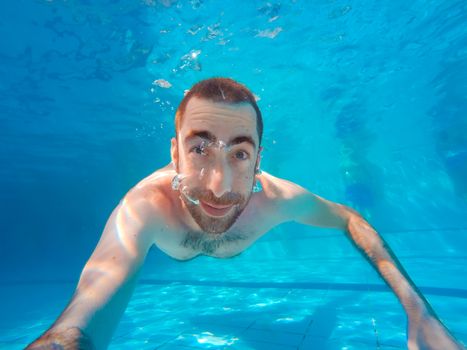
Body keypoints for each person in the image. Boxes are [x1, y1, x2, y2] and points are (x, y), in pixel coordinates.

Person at [27, 77, 464, 350]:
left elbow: (349, 218)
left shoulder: (276, 198)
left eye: (239, 153)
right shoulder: (146, 206)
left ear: (258, 161)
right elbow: (86, 309)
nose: (218, 188)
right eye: (199, 149)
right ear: (174, 153)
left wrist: (417, 311)